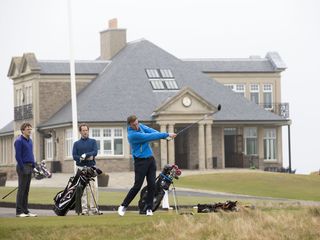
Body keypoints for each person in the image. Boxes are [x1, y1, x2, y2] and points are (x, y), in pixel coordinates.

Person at [118, 115, 176, 216]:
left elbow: (151, 131)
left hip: (150, 160)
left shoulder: (140, 126)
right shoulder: (132, 135)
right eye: (134, 125)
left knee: (152, 185)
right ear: (130, 125)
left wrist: (165, 137)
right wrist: (167, 134)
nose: (137, 126)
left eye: (137, 123)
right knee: (137, 186)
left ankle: (149, 208)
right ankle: (123, 205)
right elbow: (149, 137)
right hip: (140, 162)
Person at [72, 123, 100, 215]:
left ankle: (93, 208)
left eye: (86, 130)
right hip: (81, 168)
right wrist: (82, 158)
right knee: (82, 189)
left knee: (93, 188)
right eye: (83, 130)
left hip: (91, 168)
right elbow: (74, 156)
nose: (85, 132)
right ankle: (84, 209)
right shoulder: (76, 144)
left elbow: (94, 152)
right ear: (80, 132)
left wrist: (85, 155)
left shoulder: (93, 141)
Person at [14, 122, 37, 217]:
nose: (30, 131)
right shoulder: (19, 141)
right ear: (23, 130)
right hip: (22, 167)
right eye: (28, 129)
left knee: (26, 190)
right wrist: (23, 168)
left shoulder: (30, 140)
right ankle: (19, 211)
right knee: (21, 189)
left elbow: (30, 154)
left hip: (30, 166)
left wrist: (34, 165)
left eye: (30, 129)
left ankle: (25, 210)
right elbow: (18, 156)